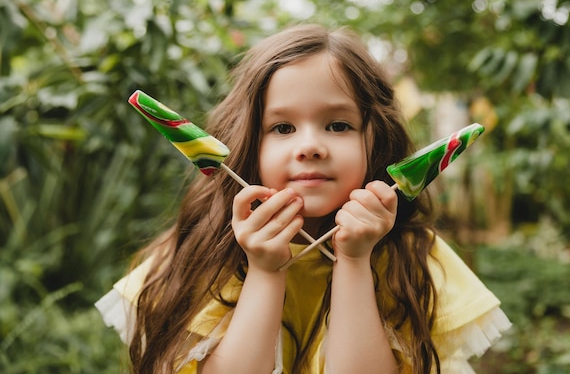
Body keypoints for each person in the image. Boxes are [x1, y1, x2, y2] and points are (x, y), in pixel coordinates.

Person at [96, 24, 511, 374]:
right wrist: (264, 270)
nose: (310, 146)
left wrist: (354, 260)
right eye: (282, 128)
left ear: (376, 138)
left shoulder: (412, 255)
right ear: (246, 141)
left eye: (337, 124)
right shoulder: (204, 249)